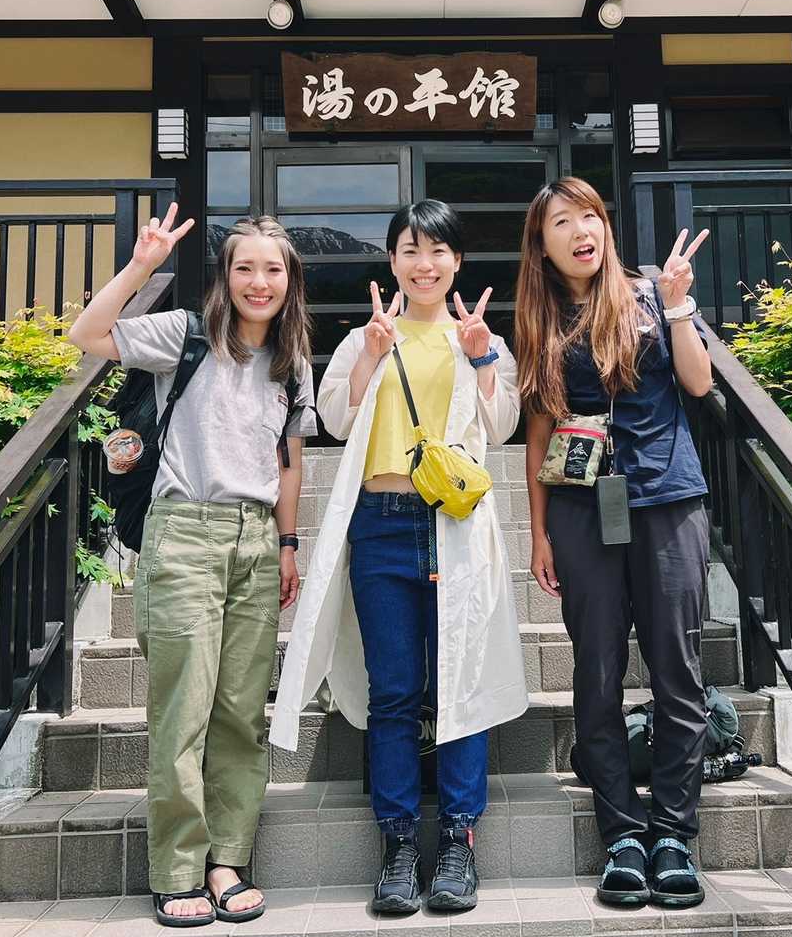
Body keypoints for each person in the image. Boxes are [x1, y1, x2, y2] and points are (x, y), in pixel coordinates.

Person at [272, 200, 526, 915]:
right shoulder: (365, 337)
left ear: (457, 261)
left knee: (460, 683)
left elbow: (503, 425)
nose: (424, 264)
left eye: (438, 250)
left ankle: (458, 841)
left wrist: (482, 358)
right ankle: (399, 844)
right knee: (393, 691)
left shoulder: (481, 337)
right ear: (392, 261)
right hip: (380, 526)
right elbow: (334, 420)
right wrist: (371, 356)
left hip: (454, 525)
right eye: (410, 250)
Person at [69, 209, 316, 928]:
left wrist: (288, 543)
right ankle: (177, 869)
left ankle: (226, 860)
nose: (259, 282)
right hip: (184, 535)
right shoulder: (183, 335)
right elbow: (87, 334)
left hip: (256, 541)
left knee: (240, 712)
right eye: (245, 268)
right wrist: (141, 265)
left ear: (290, 280)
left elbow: (289, 464)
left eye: (273, 269)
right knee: (184, 711)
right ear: (225, 276)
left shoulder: (292, 362)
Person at [514, 177, 714, 909]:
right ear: (542, 245)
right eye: (561, 223)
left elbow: (698, 384)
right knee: (596, 671)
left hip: (666, 499)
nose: (580, 231)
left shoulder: (652, 296)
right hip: (580, 508)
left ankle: (674, 835)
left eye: (589, 216)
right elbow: (539, 432)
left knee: (677, 671)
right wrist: (538, 531)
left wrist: (681, 303)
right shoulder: (539, 319)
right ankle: (623, 835)